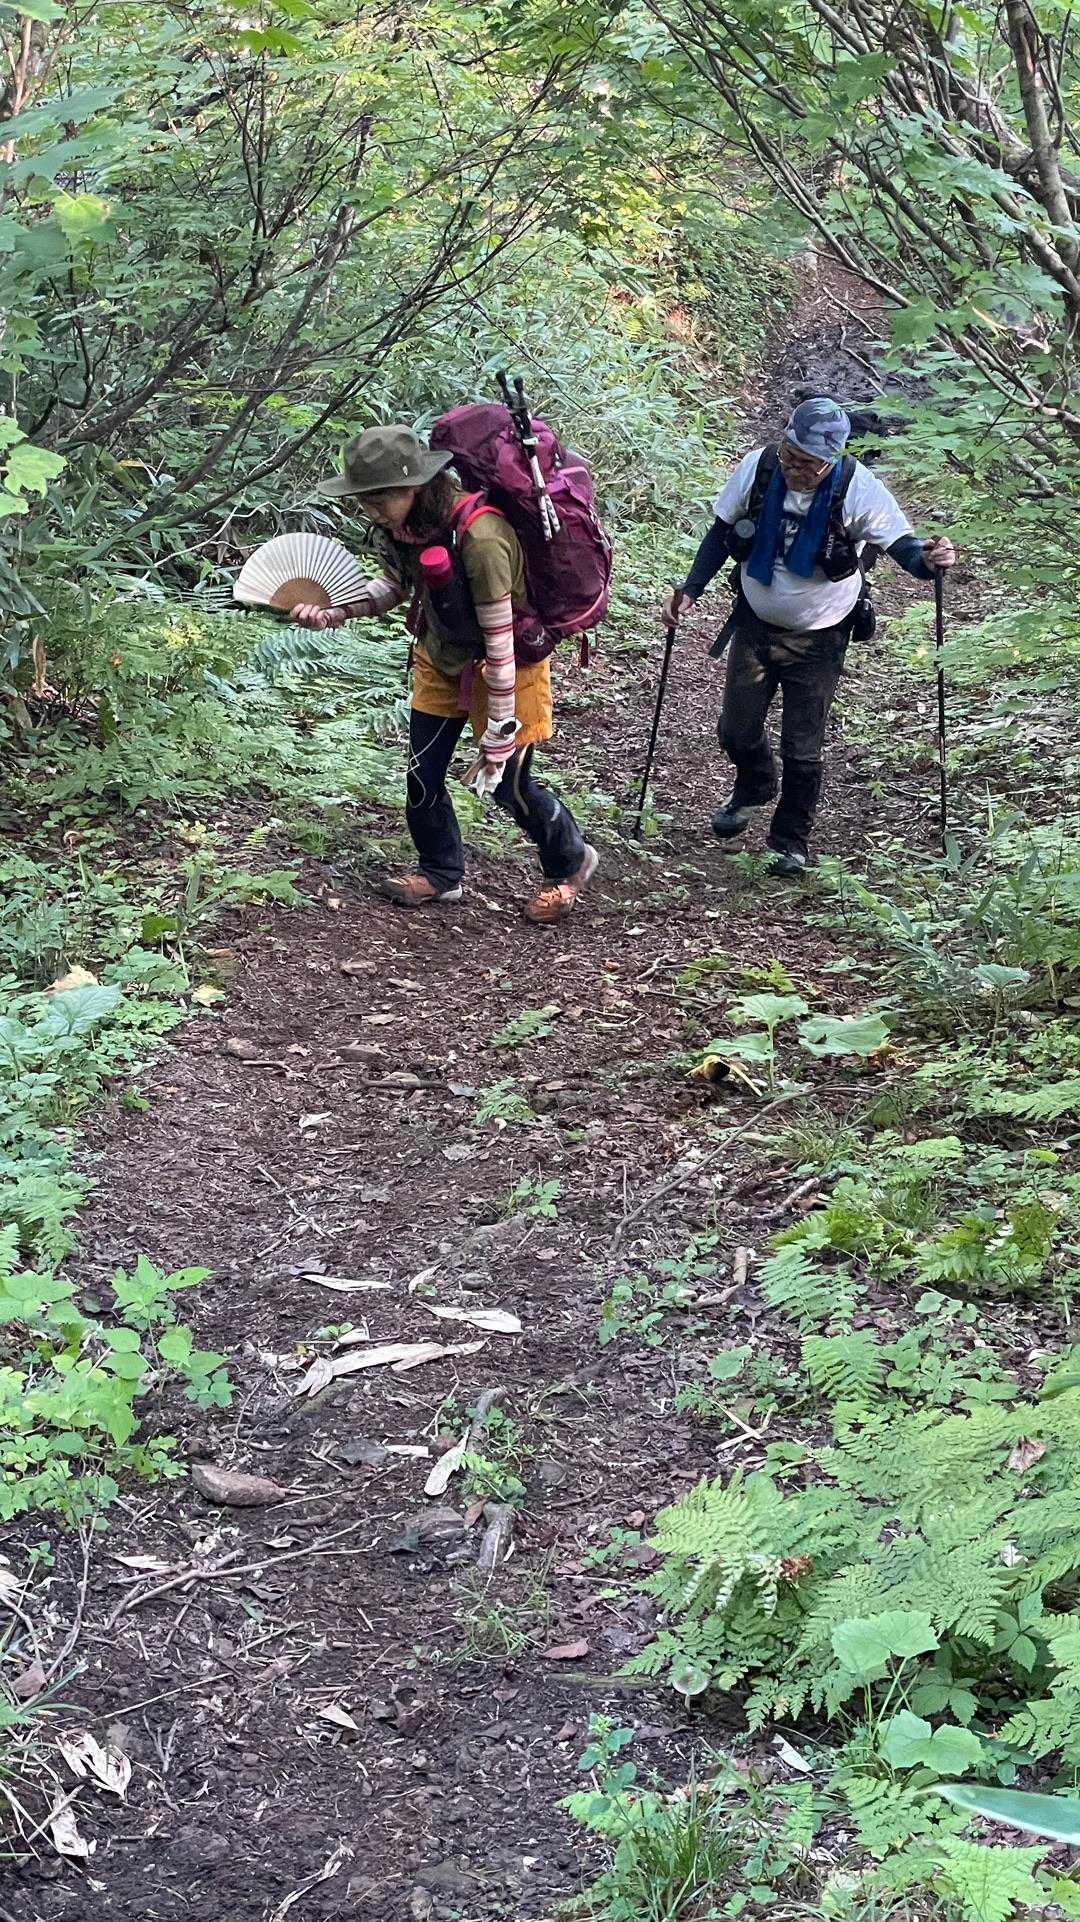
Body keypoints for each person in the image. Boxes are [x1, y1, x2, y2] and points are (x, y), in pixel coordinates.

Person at [293, 425, 597, 924]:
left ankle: (570, 862)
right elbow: (395, 586)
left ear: (414, 487)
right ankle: (440, 873)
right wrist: (337, 611)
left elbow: (499, 640)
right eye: (363, 500)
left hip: (510, 664)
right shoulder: (403, 528)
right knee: (423, 774)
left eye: (378, 500)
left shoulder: (482, 536)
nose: (370, 511)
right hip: (441, 656)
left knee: (509, 784)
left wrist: (499, 729)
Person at [664, 397, 957, 875]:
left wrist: (930, 560)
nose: (796, 470)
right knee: (736, 731)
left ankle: (790, 841)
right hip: (755, 625)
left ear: (833, 459)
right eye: (791, 457)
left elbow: (904, 549)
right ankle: (756, 784)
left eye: (810, 464)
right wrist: (691, 589)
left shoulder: (857, 486)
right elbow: (720, 533)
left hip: (822, 635)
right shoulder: (759, 468)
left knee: (802, 745)